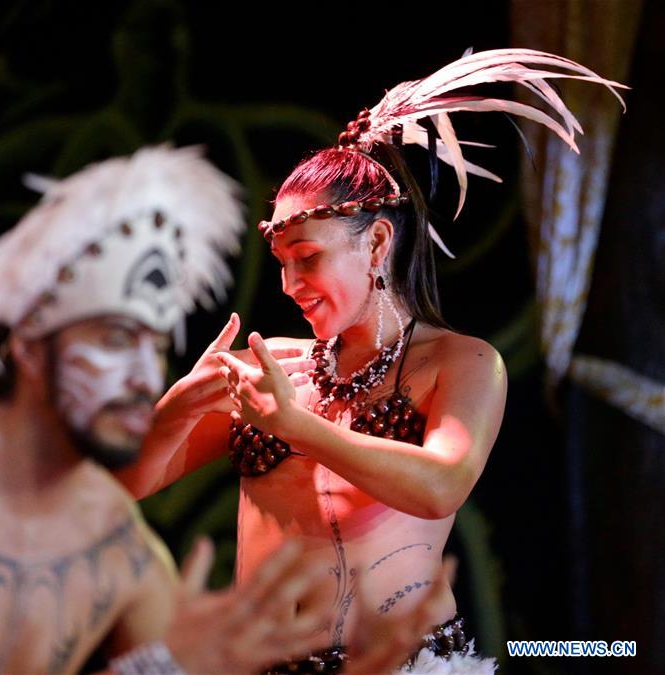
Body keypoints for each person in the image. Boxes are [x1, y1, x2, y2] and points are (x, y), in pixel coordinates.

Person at [118, 49, 626, 673]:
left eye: (306, 256)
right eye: (281, 263)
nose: (289, 284)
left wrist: (300, 429)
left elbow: (441, 485)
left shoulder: (463, 363)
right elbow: (123, 488)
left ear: (378, 243)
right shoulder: (272, 367)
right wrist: (172, 412)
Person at [0, 145, 336, 674]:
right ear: (30, 347)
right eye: (117, 339)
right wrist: (160, 665)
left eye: (155, 346)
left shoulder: (118, 544)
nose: (146, 377)